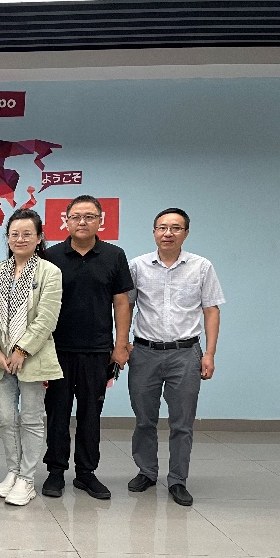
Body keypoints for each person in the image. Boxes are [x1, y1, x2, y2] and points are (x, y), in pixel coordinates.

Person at [126, 208, 224, 507]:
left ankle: (178, 479)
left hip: (185, 354)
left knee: (182, 423)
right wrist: (122, 343)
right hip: (144, 352)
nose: (168, 233)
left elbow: (211, 310)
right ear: (154, 232)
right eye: (162, 227)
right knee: (144, 419)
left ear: (186, 233)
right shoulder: (137, 266)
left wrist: (209, 353)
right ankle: (146, 471)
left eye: (175, 228)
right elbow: (125, 306)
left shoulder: (201, 267)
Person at [42, 195, 134, 500]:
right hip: (56, 350)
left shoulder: (114, 255)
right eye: (76, 217)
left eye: (90, 216)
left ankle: (86, 473)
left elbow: (121, 302)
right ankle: (56, 471)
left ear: (100, 221)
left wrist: (120, 346)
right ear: (66, 221)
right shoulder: (50, 256)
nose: (82, 222)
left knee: (91, 413)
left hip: (97, 350)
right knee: (57, 412)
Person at [0, 208, 63, 506]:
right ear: (7, 238)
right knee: (5, 418)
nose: (20, 239)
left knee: (31, 419)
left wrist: (21, 350)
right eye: (14, 234)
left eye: (27, 233)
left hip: (33, 357)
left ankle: (27, 478)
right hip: (0, 359)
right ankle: (13, 472)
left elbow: (46, 318)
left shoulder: (49, 272)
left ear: (39, 237)